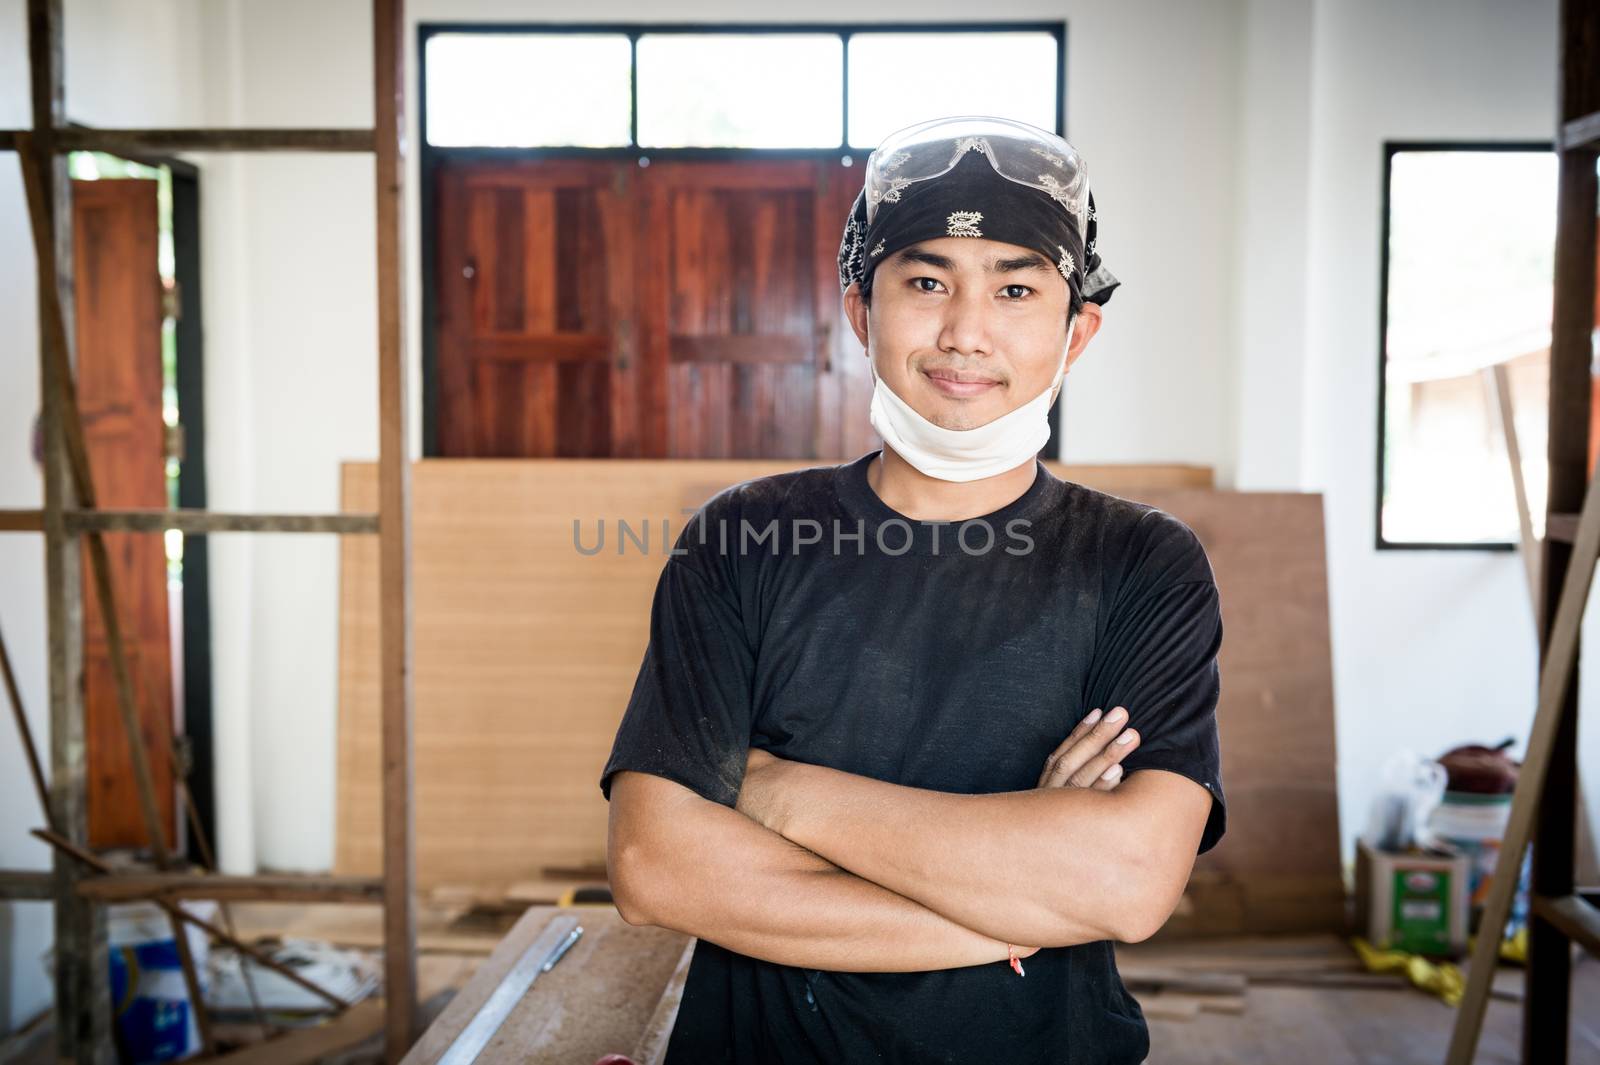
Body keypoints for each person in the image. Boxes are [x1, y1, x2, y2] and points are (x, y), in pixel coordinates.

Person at [598, 115, 1226, 1064]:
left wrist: (772, 789)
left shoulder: (1141, 563)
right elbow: (656, 866)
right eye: (926, 281)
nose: (965, 331)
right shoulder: (742, 540)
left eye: (1016, 288)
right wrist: (1018, 910)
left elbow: (1129, 881)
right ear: (861, 312)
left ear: (1077, 330)